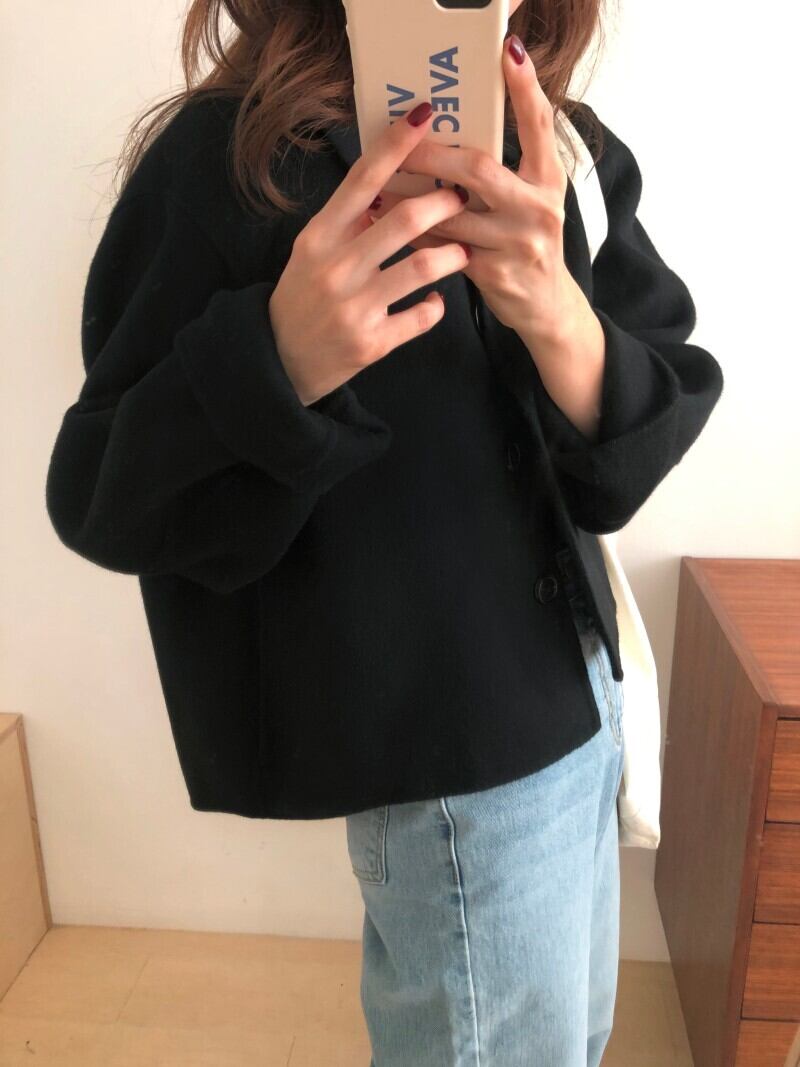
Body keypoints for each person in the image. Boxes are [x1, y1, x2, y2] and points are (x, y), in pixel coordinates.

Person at [45, 1, 724, 1063]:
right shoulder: (233, 164)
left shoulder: (561, 147)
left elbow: (647, 417)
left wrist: (555, 312)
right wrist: (277, 359)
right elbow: (101, 494)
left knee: (570, 1040)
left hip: (590, 695)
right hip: (451, 764)